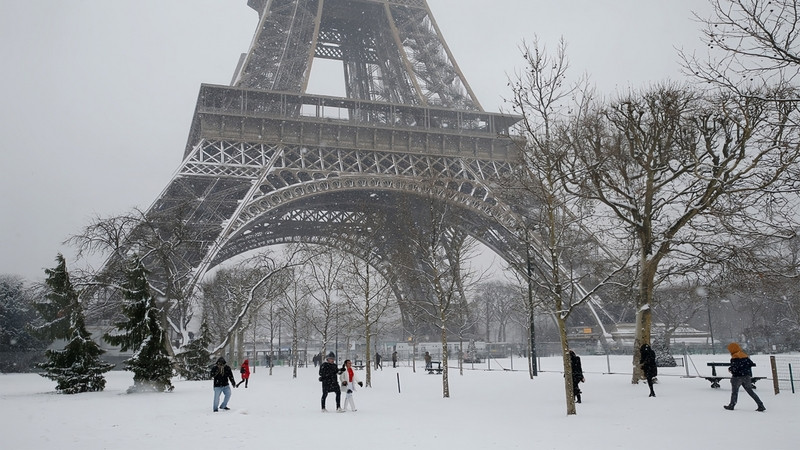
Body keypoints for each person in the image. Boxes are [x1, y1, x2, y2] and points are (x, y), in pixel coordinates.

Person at [723, 342, 766, 412]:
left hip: (737, 377)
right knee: (750, 391)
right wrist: (745, 367)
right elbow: (751, 364)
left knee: (734, 392)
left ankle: (732, 405)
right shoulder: (744, 355)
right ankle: (760, 405)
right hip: (746, 377)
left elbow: (735, 368)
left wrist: (730, 369)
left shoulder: (734, 357)